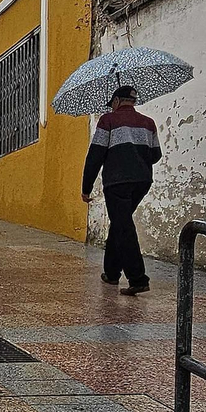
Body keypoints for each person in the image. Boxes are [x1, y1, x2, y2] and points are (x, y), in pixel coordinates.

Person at [81, 85, 161, 295]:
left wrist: (86, 187)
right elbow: (155, 155)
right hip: (142, 182)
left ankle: (137, 278)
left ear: (116, 101)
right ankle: (112, 272)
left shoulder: (108, 120)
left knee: (123, 226)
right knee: (120, 223)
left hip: (117, 183)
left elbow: (95, 155)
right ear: (133, 101)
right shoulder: (148, 123)